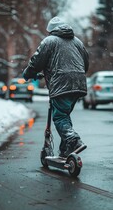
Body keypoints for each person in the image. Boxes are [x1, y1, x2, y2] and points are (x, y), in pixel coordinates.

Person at [23, 16, 89, 158]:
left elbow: (36, 61)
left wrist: (28, 73)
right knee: (64, 115)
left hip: (61, 83)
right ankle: (65, 150)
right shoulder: (77, 42)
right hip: (78, 83)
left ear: (50, 31)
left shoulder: (50, 41)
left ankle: (73, 140)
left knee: (59, 117)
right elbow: (86, 63)